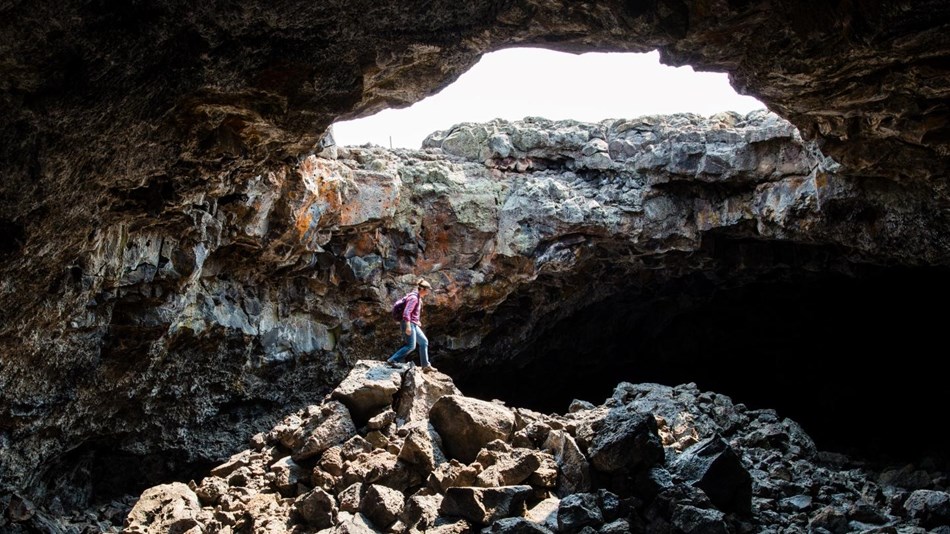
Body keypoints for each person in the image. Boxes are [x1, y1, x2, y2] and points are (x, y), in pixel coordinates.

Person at [387, 279, 435, 371]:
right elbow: (406, 313)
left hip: (413, 323)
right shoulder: (413, 298)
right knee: (411, 346)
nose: (428, 292)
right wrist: (408, 326)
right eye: (427, 290)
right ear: (422, 289)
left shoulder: (417, 297)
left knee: (424, 342)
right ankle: (392, 360)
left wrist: (417, 321)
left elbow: (413, 313)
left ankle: (425, 366)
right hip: (408, 323)